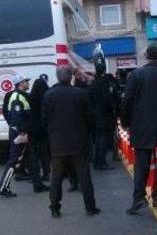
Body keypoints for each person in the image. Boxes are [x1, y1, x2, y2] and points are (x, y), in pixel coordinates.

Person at [122, 43, 157, 214]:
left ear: (147, 55)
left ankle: (139, 197)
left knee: (142, 165)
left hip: (142, 126)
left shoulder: (137, 75)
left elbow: (127, 100)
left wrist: (125, 122)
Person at [43, 65, 100, 218]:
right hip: (79, 142)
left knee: (56, 178)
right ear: (71, 77)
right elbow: (90, 118)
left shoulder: (48, 96)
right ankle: (90, 207)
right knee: (84, 176)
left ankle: (54, 208)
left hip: (57, 144)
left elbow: (45, 120)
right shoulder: (80, 94)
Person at [0, 75, 48, 197]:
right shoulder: (17, 97)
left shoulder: (22, 96)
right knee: (13, 161)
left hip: (25, 133)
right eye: (26, 81)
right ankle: (3, 188)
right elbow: (16, 118)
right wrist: (22, 133)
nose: (28, 83)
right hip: (20, 134)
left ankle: (38, 185)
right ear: (20, 83)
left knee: (33, 159)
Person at [88, 63, 117, 171]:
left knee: (98, 139)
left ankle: (97, 161)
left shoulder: (93, 83)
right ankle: (102, 162)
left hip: (95, 115)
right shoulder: (104, 83)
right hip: (105, 115)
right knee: (104, 140)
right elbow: (107, 99)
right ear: (104, 71)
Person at [30, 74, 51, 182]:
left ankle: (35, 174)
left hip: (33, 129)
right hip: (44, 129)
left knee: (34, 153)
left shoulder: (30, 98)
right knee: (45, 153)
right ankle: (46, 172)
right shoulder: (47, 98)